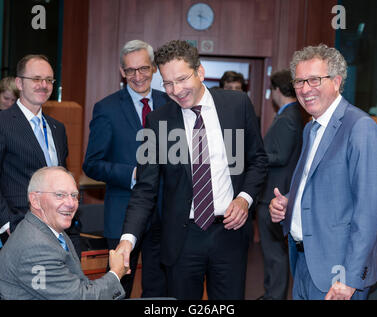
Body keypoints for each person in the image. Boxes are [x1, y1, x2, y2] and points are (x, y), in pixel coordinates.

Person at [117, 40, 268, 299]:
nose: (176, 90)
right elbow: (145, 188)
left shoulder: (236, 105)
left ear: (200, 72)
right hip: (182, 238)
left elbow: (257, 161)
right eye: (167, 83)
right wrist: (127, 239)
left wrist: (244, 199)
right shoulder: (159, 121)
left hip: (229, 234)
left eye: (182, 79)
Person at [269, 44, 377, 300]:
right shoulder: (311, 128)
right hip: (305, 264)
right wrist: (290, 203)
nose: (305, 89)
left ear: (337, 81)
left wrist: (350, 280)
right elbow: (322, 186)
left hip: (338, 275)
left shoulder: (360, 127)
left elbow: (368, 211)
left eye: (314, 80)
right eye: (299, 81)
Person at [83, 40, 170, 298]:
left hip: (165, 215)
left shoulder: (171, 104)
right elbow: (92, 164)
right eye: (130, 70)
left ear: (154, 68)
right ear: (122, 72)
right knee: (120, 290)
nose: (137, 76)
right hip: (122, 214)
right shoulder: (106, 108)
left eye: (143, 68)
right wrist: (131, 174)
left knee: (158, 289)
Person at [0, 166, 127, 300]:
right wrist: (116, 273)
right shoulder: (36, 247)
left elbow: (78, 285)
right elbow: (80, 298)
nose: (71, 203)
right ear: (35, 200)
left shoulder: (50, 230)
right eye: (60, 195)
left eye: (74, 195)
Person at [0, 55, 75, 250]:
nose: (43, 85)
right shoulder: (3, 123)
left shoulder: (58, 128)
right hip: (18, 227)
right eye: (36, 79)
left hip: (57, 229)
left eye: (49, 80)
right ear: (19, 83)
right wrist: (5, 222)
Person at [256, 69, 304, 300]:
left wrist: (256, 155)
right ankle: (271, 294)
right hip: (279, 192)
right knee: (275, 252)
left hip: (274, 194)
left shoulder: (288, 116)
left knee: (274, 252)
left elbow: (281, 155)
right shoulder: (294, 114)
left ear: (276, 89)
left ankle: (274, 296)